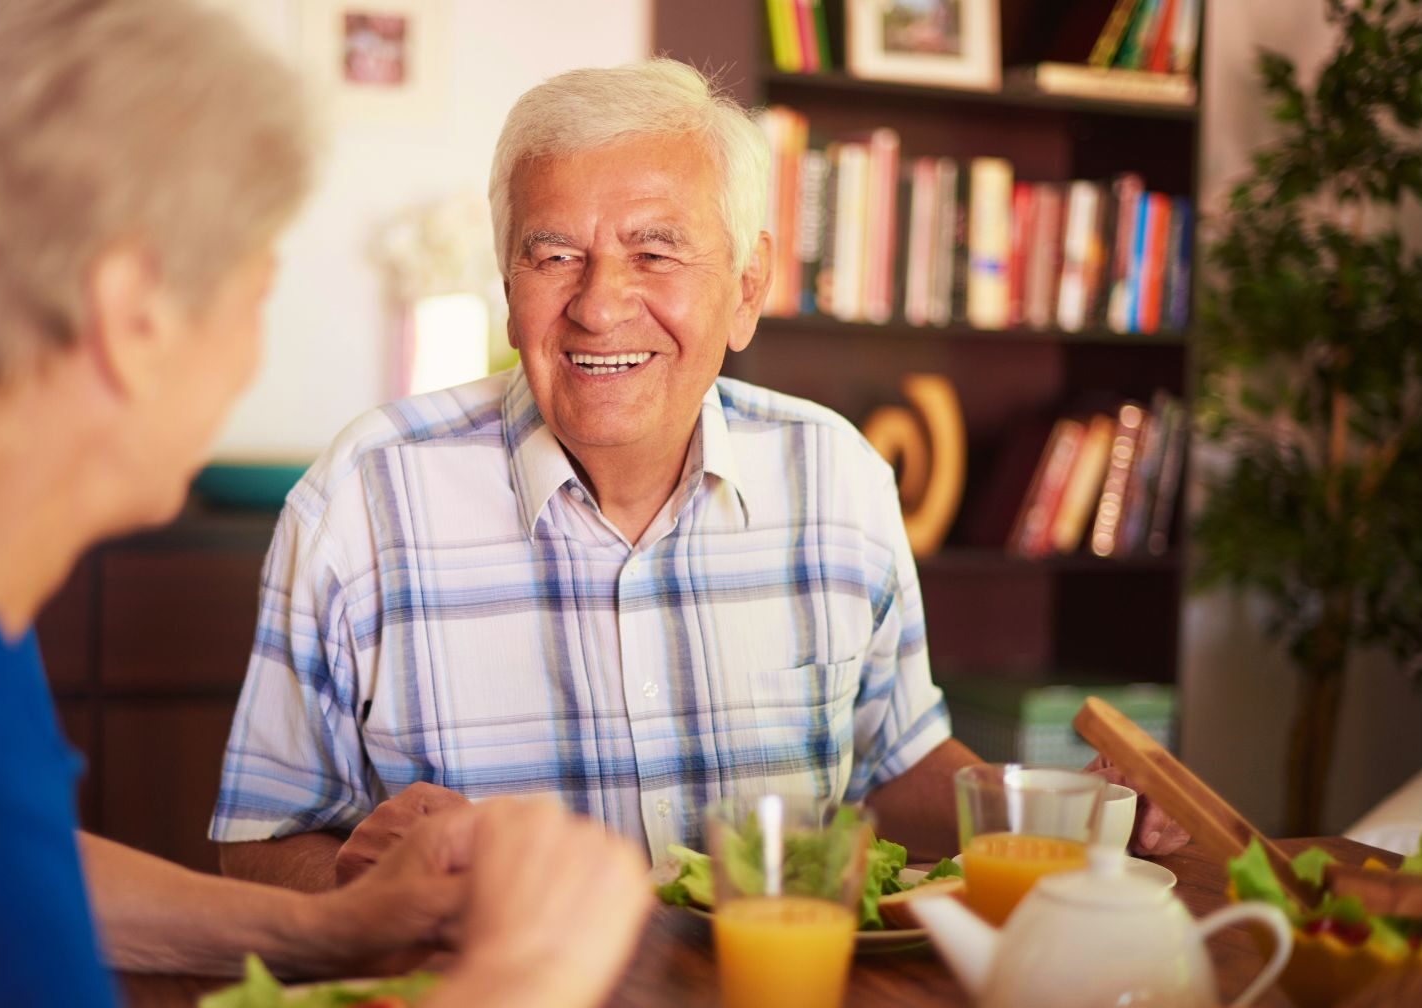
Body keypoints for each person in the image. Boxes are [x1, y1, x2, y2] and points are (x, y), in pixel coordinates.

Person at [0, 3, 651, 1008]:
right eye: (256, 291)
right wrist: (515, 987)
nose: (252, 353)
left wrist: (328, 932)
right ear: (133, 316)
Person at [211, 59, 1188, 894]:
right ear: (509, 291)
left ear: (748, 287)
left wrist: (1067, 819)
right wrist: (355, 875)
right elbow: (258, 841)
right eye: (554, 256)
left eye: (655, 250)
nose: (599, 306)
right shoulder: (364, 496)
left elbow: (893, 765)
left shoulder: (836, 477)